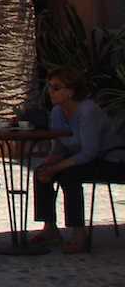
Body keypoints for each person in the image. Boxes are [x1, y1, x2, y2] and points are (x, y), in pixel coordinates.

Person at [32, 66, 125, 254]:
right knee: (41, 172)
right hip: (83, 159)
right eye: (49, 86)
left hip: (111, 160)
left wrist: (57, 168)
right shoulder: (58, 111)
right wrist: (49, 166)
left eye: (56, 87)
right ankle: (49, 227)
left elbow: (89, 152)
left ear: (71, 91)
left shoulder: (88, 111)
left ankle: (78, 232)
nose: (51, 91)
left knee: (69, 175)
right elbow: (59, 147)